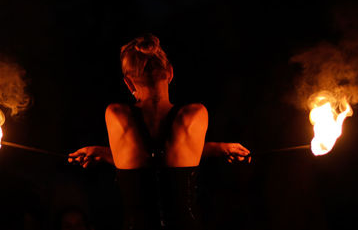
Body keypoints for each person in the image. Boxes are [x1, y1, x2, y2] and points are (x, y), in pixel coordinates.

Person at [69, 34, 251, 230]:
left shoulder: (117, 116)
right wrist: (220, 148)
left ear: (129, 83)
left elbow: (142, 160)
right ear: (170, 73)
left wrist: (105, 154)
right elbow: (174, 155)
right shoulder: (194, 115)